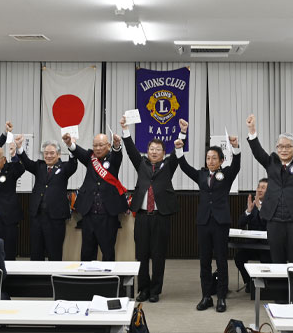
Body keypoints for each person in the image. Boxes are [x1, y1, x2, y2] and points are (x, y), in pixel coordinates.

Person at [121, 116, 183, 303]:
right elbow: (131, 150)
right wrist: (125, 129)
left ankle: (155, 290)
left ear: (164, 153)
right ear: (147, 151)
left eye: (158, 149)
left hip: (160, 217)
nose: (154, 152)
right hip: (141, 217)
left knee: (158, 255)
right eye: (151, 149)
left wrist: (182, 133)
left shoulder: (168, 165)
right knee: (141, 255)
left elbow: (178, 150)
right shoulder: (141, 164)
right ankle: (143, 289)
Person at [177, 131, 241, 313]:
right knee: (204, 261)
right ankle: (206, 296)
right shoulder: (201, 174)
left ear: (221, 160)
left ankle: (221, 297)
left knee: (221, 260)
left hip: (221, 222)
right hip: (203, 222)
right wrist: (179, 150)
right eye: (208, 158)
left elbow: (236, 165)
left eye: (214, 158)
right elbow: (184, 167)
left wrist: (236, 147)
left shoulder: (226, 174)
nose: (210, 161)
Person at [246, 113, 293, 264]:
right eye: (280, 146)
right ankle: (278, 281)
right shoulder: (271, 162)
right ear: (277, 148)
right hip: (274, 220)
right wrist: (252, 130)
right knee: (276, 260)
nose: (283, 150)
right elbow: (258, 152)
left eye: (287, 146)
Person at [65, 132, 127, 261]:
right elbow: (78, 151)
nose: (97, 148)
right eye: (95, 145)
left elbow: (117, 154)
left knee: (108, 251)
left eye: (101, 145)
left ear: (108, 146)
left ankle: (108, 274)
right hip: (89, 214)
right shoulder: (90, 158)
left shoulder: (113, 159)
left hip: (108, 214)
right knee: (87, 251)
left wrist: (117, 145)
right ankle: (87, 274)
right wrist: (70, 143)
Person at [16, 134, 77, 261]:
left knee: (54, 252)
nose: (48, 156)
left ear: (58, 154)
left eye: (52, 153)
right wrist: (19, 147)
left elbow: (73, 164)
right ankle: (37, 274)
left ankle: (54, 274)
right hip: (37, 216)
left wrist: (71, 146)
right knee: (36, 251)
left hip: (56, 218)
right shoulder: (40, 166)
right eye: (46, 153)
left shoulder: (64, 167)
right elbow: (26, 162)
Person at [234, 178, 270, 293]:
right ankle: (249, 282)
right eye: (258, 187)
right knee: (239, 257)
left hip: (266, 246)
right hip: (251, 245)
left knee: (266, 260)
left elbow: (269, 225)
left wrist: (260, 208)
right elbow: (240, 223)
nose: (259, 190)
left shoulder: (273, 205)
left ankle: (266, 285)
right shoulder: (252, 204)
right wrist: (248, 211)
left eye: (263, 188)